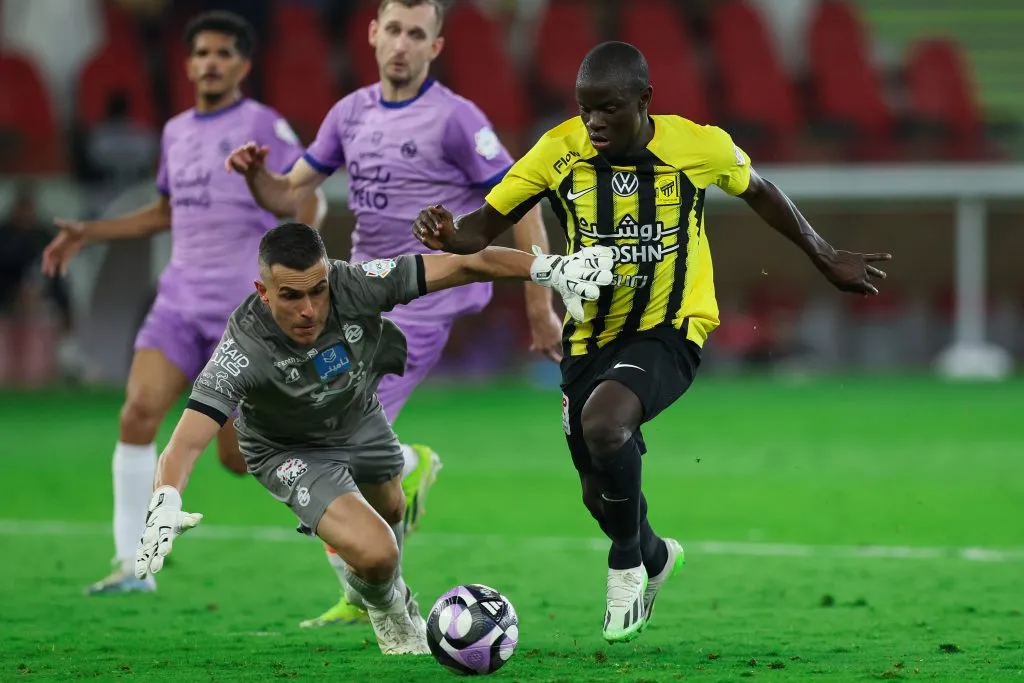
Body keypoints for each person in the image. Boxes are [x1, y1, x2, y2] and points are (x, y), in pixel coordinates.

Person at [412, 41, 893, 644]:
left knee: (606, 423)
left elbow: (762, 190)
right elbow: (479, 228)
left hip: (672, 328)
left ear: (645, 101)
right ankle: (656, 554)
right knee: (598, 491)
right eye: (586, 109)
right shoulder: (558, 152)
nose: (594, 123)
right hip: (589, 337)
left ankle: (625, 567)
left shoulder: (697, 146)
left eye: (609, 108)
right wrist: (446, 232)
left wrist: (824, 256)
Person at [223, 0, 564, 628]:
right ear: (373, 34)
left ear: (435, 47)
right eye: (394, 31)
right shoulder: (348, 113)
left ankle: (376, 586)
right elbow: (288, 193)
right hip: (355, 298)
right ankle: (405, 476)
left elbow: (522, 202)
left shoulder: (457, 119)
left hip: (425, 303)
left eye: (418, 34)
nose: (402, 44)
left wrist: (539, 304)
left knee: (328, 439)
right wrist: (257, 178)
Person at [132, 221, 613, 656]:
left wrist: (546, 268)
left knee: (394, 509)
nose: (308, 309)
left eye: (317, 292)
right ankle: (391, 613)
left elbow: (468, 264)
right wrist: (166, 497)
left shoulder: (356, 283)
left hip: (358, 416)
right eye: (290, 296)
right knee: (379, 554)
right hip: (289, 450)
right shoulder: (242, 348)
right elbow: (187, 439)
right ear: (263, 291)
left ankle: (393, 527)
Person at [41, 10, 326, 596]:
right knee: (137, 414)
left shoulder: (264, 124)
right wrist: (91, 232)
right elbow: (167, 211)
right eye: (201, 53)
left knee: (238, 459)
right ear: (189, 63)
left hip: (241, 321)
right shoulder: (174, 131)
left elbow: (303, 198)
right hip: (177, 303)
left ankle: (349, 462)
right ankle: (131, 566)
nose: (211, 63)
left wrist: (308, 266)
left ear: (244, 65)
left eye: (223, 53)